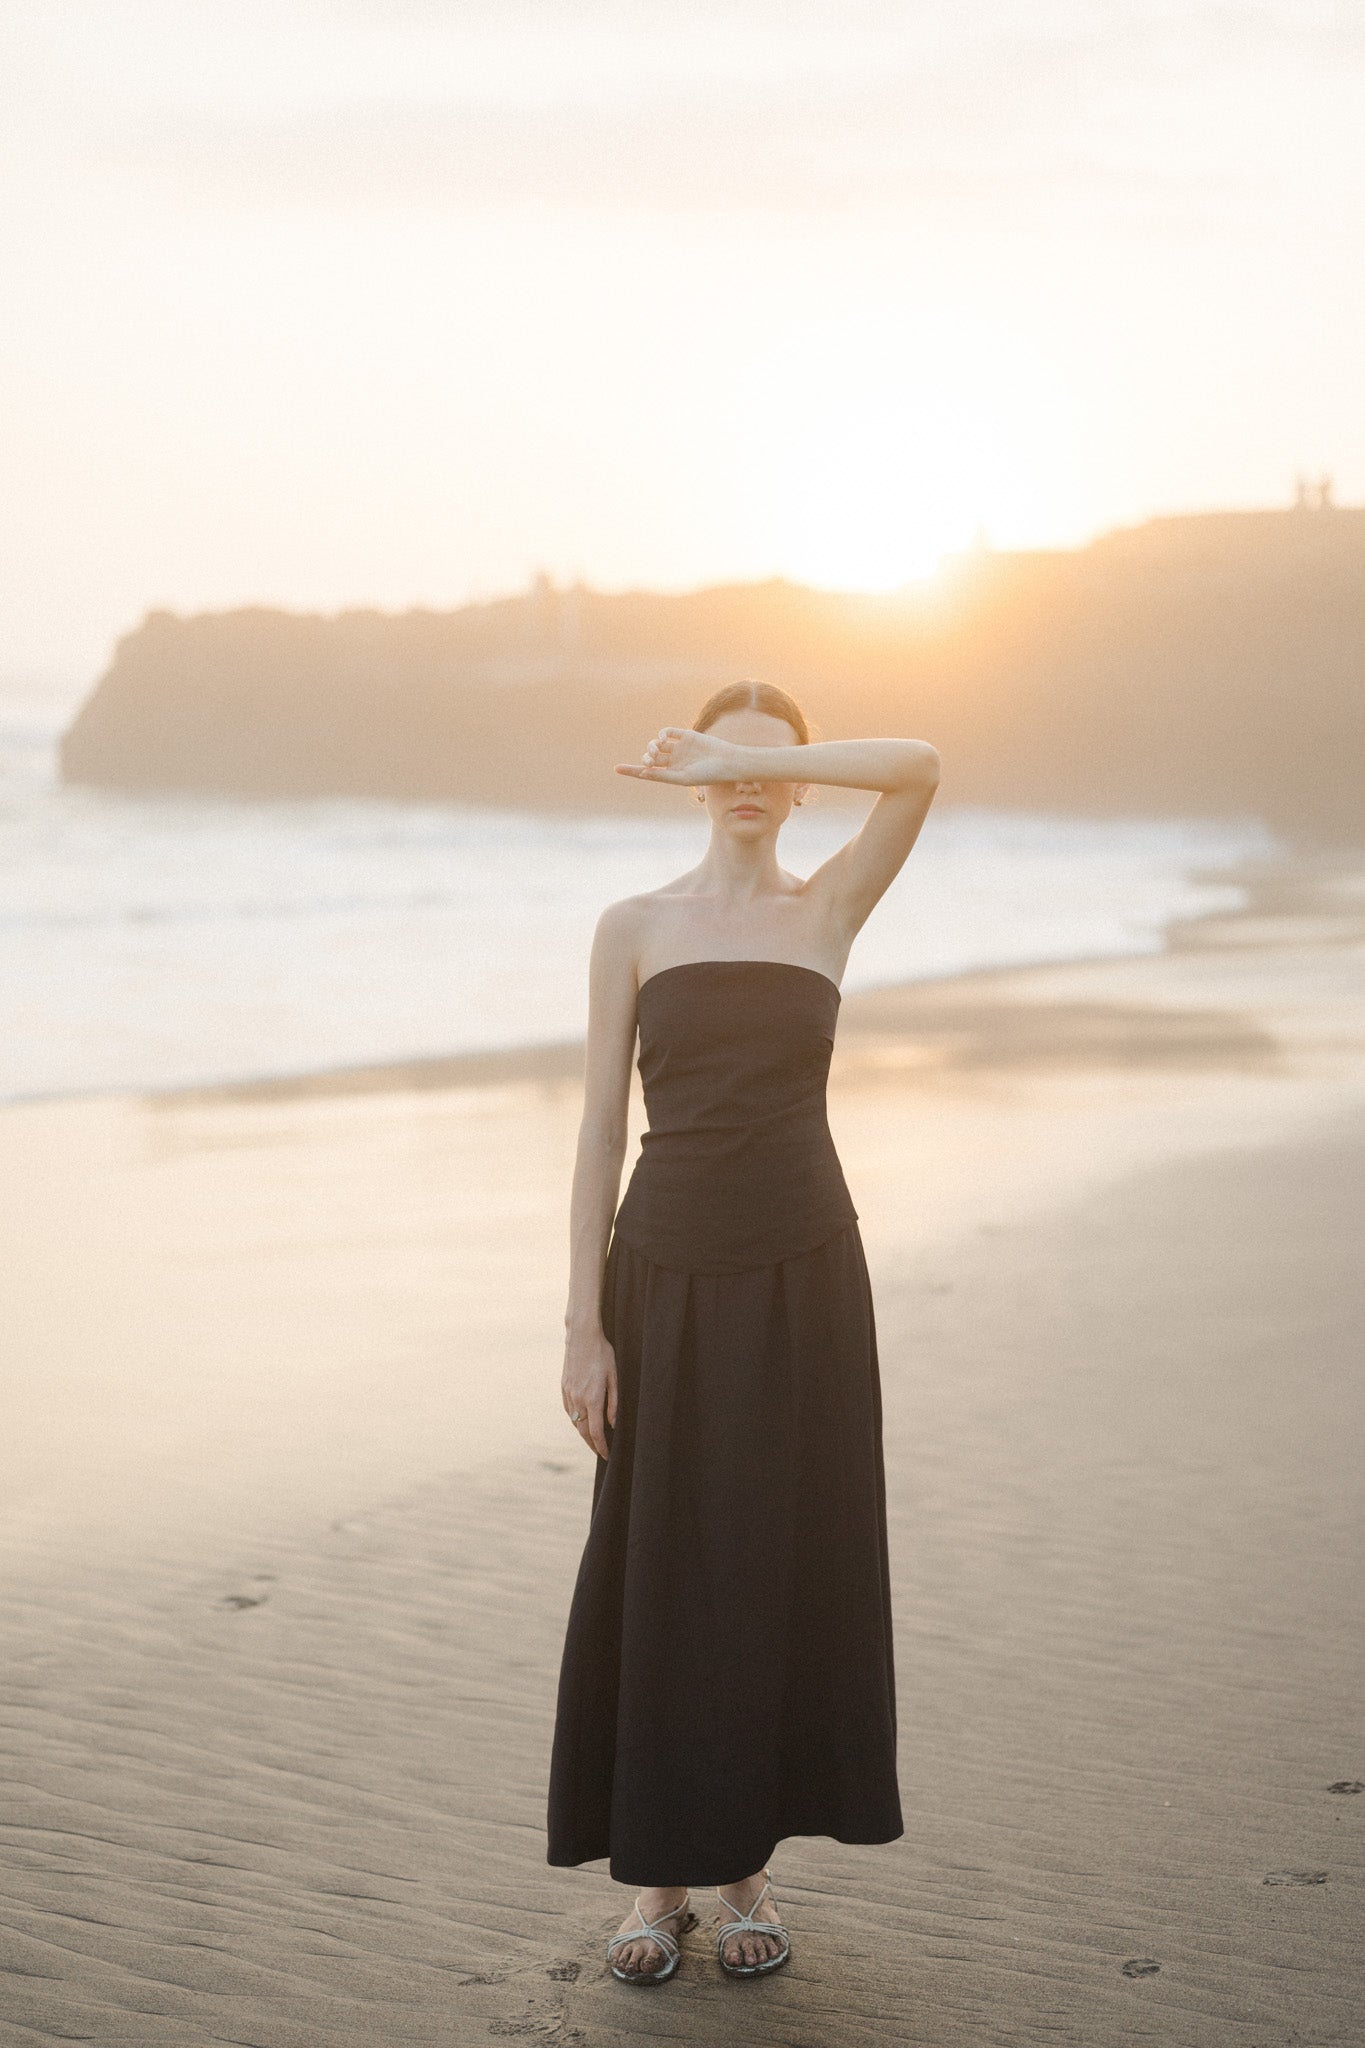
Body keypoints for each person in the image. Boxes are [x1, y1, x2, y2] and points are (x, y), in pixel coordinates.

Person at [545, 680, 940, 1983]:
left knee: (774, 1559)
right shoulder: (634, 926)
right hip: (659, 1271)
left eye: (765, 764)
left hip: (804, 1273)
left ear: (800, 780)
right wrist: (580, 1327)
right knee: (663, 1565)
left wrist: (756, 744)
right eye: (716, 763)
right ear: (689, 782)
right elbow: (601, 1130)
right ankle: (654, 1887)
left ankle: (747, 1872)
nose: (742, 781)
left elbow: (920, 762)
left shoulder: (823, 908)